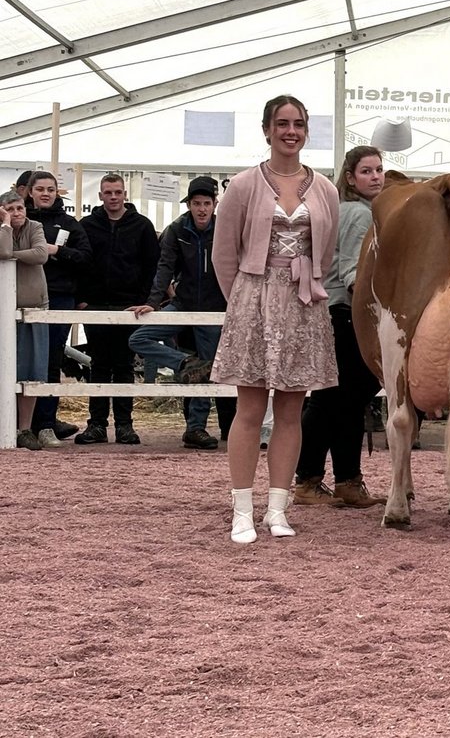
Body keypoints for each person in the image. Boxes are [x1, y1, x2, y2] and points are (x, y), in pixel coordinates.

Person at [211, 94, 339, 544]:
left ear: (306, 130)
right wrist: (244, 301)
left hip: (304, 304)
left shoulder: (325, 189)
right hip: (253, 299)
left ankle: (278, 509)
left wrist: (303, 286)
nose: (291, 132)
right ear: (267, 130)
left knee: (291, 410)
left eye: (298, 124)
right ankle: (242, 510)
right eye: (282, 124)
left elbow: (325, 253)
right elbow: (223, 253)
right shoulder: (244, 185)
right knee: (249, 409)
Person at [295, 146, 389, 508]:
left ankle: (343, 479)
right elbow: (352, 273)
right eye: (366, 171)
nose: (375, 176)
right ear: (350, 177)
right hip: (346, 312)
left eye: (378, 169)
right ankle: (312, 480)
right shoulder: (360, 215)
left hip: (338, 311)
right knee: (335, 399)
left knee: (345, 399)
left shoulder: (348, 209)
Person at [128, 176, 225, 450]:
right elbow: (165, 266)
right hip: (183, 303)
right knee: (138, 338)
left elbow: (233, 265)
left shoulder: (224, 229)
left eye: (206, 203)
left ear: (214, 204)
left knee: (206, 370)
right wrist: (153, 302)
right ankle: (184, 363)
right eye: (197, 203)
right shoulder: (176, 229)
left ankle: (196, 428)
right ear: (189, 204)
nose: (202, 209)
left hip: (213, 308)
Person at [75, 173, 159, 446]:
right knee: (98, 364)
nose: (113, 197)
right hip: (96, 305)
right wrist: (83, 299)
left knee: (124, 365)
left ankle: (124, 425)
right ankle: (97, 424)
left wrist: (145, 299)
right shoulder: (86, 226)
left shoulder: (142, 226)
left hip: (129, 306)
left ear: (125, 194)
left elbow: (152, 266)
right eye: (108, 192)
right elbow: (79, 263)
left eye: (118, 192)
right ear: (100, 195)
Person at [26, 170, 90, 446]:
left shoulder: (69, 224)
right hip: (23, 298)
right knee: (22, 360)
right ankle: (21, 425)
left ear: (57, 192)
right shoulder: (19, 220)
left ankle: (46, 424)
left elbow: (86, 258)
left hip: (59, 297)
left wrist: (57, 251)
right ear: (30, 191)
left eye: (50, 189)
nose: (45, 194)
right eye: (40, 189)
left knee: (51, 360)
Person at [1, 190, 50, 450]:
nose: (17, 213)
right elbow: (2, 248)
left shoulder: (36, 227)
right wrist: (6, 226)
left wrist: (11, 256)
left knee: (31, 371)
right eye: (10, 209)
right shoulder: (3, 229)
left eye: (19, 208)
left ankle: (25, 429)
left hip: (34, 307)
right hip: (3, 310)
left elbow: (41, 254)